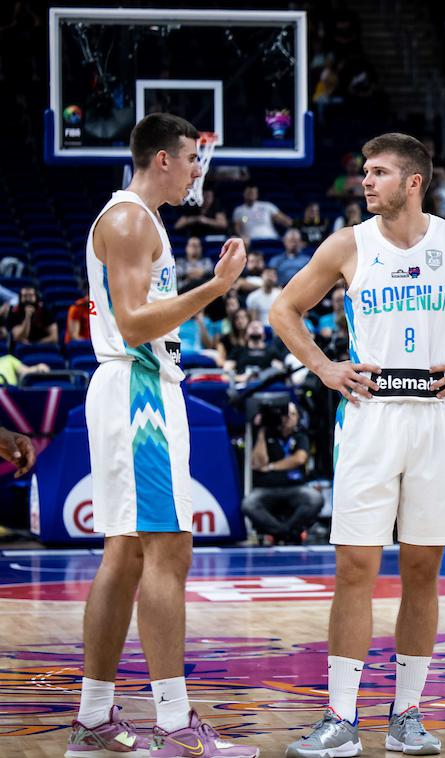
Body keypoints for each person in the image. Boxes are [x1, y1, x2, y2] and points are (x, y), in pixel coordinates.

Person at [271, 132, 445, 757]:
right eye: (366, 171)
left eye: (379, 172)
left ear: (413, 181)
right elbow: (285, 310)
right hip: (370, 413)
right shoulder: (348, 244)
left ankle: (406, 714)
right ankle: (340, 717)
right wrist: (326, 368)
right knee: (354, 568)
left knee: (423, 570)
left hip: (438, 416)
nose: (366, 181)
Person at [68, 112, 255, 757]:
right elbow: (136, 322)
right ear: (163, 160)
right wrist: (216, 288)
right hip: (138, 391)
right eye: (192, 158)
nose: (199, 170)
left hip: (140, 388)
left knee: (126, 554)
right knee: (168, 548)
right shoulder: (126, 221)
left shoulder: (144, 223)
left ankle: (94, 719)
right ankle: (175, 728)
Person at [242, 402, 324, 544]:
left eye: (293, 414)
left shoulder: (300, 436)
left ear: (298, 418)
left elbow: (299, 458)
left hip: (295, 487)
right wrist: (261, 431)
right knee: (249, 504)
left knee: (315, 499)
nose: (289, 418)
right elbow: (258, 463)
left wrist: (272, 466)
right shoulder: (266, 434)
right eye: (286, 414)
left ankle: (283, 532)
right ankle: (285, 532)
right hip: (267, 488)